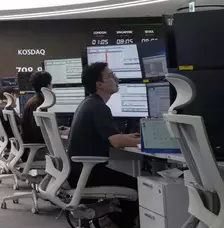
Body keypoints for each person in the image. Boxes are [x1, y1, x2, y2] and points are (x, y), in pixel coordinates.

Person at [67, 62, 140, 228]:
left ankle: (108, 221)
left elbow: (112, 136)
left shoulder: (89, 103)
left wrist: (126, 136)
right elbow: (117, 141)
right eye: (111, 76)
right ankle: (111, 223)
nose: (116, 79)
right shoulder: (99, 107)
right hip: (89, 174)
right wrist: (147, 140)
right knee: (138, 187)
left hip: (78, 172)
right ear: (99, 84)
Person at [20, 71, 52, 161]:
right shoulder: (39, 104)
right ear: (48, 85)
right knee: (68, 155)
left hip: (29, 150)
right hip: (36, 151)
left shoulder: (34, 100)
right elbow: (38, 132)